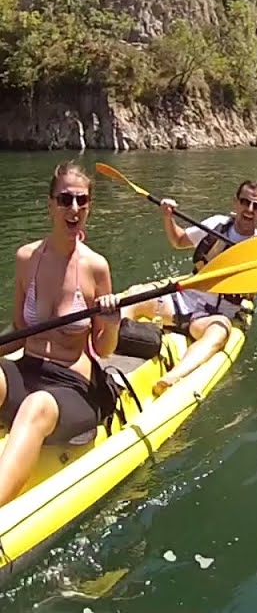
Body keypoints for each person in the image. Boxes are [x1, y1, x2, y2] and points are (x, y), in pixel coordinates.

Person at [0, 162, 121, 506]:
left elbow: (104, 348)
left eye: (82, 201)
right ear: (50, 204)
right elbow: (21, 332)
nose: (74, 209)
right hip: (28, 368)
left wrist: (111, 323)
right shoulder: (27, 257)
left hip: (72, 387)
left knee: (36, 405)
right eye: (65, 199)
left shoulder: (96, 267)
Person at [120, 180, 257, 397]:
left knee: (219, 331)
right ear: (236, 203)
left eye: (256, 206)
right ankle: (105, 348)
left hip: (213, 317)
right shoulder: (217, 224)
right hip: (184, 300)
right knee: (134, 296)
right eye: (245, 202)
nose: (249, 210)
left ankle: (172, 378)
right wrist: (168, 217)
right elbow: (179, 240)